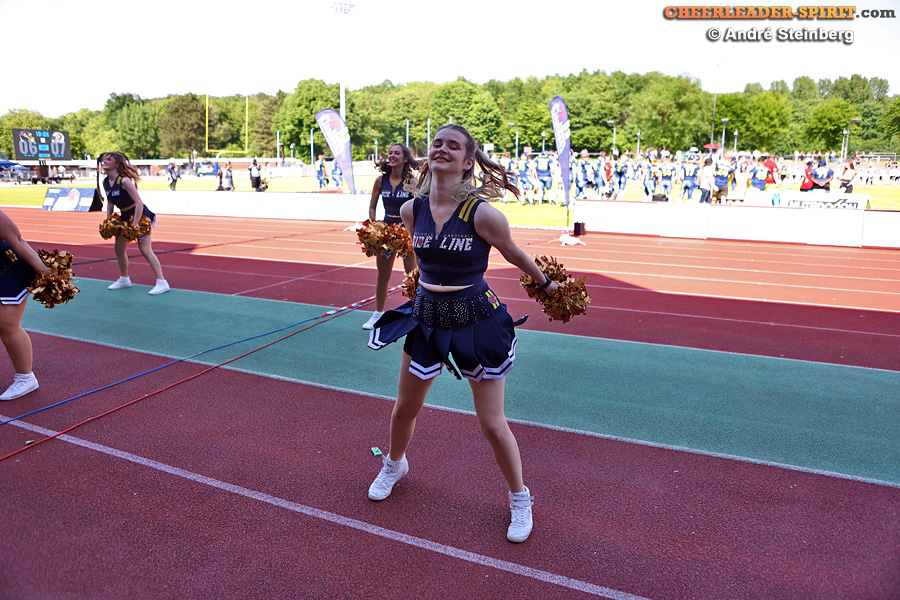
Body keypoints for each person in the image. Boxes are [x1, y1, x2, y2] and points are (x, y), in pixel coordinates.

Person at [365, 124, 559, 543]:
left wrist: (548, 285)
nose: (442, 149)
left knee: (492, 423)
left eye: (453, 146)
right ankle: (395, 464)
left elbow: (514, 253)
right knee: (404, 408)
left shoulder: (482, 214)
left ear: (468, 161)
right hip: (427, 317)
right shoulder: (411, 210)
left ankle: (520, 497)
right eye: (437, 143)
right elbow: (421, 261)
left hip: (475, 318)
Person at [362, 143, 419, 330]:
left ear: (405, 158)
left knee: (412, 276)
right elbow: (372, 206)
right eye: (390, 153)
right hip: (386, 233)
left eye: (397, 153)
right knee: (382, 276)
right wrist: (373, 227)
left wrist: (413, 230)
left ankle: (416, 313)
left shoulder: (412, 181)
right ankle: (378, 314)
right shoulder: (381, 180)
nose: (392, 155)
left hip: (405, 233)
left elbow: (419, 207)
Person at [100, 152, 170, 295]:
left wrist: (135, 225)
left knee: (145, 249)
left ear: (117, 164)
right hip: (125, 216)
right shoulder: (105, 181)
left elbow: (139, 203)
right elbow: (110, 202)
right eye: (104, 160)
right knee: (119, 248)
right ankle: (124, 279)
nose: (104, 161)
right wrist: (109, 220)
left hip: (141, 215)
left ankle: (162, 282)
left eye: (109, 160)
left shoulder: (124, 181)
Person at [0, 209, 50, 400]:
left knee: (7, 324)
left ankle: (25, 378)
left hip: (5, 268)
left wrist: (44, 271)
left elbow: (17, 239)